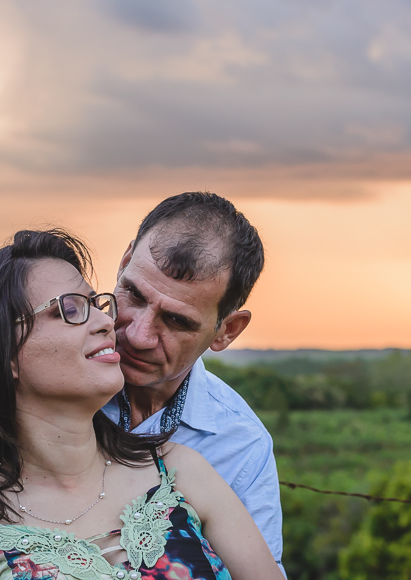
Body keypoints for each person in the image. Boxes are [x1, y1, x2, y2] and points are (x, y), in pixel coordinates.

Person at [0, 229, 283, 580]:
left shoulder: (180, 471)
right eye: (71, 308)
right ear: (1, 353)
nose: (106, 323)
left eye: (95, 304)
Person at [102, 192, 282, 567]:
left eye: (176, 321)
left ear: (226, 331)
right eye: (133, 294)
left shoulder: (240, 445)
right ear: (123, 262)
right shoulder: (39, 385)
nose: (138, 335)